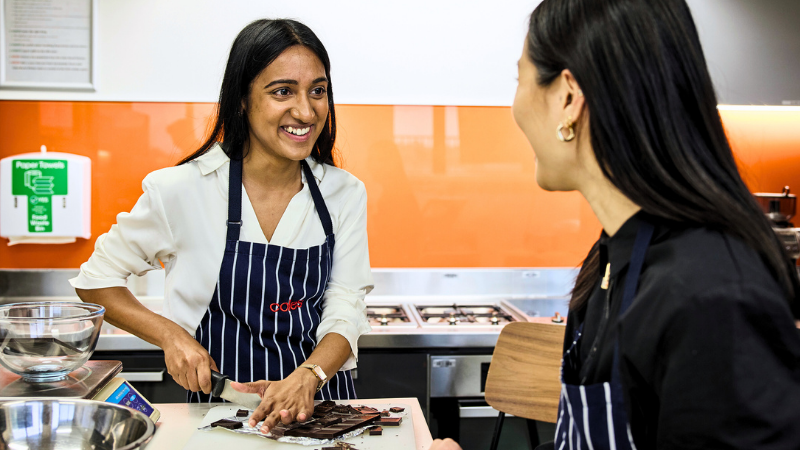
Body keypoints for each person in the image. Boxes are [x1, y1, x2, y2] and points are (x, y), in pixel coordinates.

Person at [432, 0, 800, 449]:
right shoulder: (613, 259)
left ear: (568, 98)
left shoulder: (712, 296)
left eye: (520, 79)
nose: (515, 106)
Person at [71, 19, 372, 434]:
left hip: (322, 410)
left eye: (317, 91)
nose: (306, 111)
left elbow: (346, 303)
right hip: (220, 414)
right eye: (283, 91)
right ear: (243, 99)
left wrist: (310, 376)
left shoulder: (343, 192)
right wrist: (171, 337)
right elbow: (95, 281)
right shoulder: (182, 189)